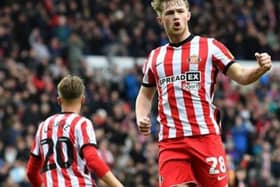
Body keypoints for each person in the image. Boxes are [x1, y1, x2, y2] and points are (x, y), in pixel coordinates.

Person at [135, 0, 272, 187]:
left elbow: (240, 75)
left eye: (179, 11)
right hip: (171, 142)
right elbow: (144, 95)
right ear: (160, 19)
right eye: (169, 13)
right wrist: (141, 117)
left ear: (188, 15)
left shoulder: (210, 47)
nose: (175, 16)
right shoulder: (155, 57)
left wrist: (260, 69)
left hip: (205, 137)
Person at [26, 75, 124, 187]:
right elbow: (92, 160)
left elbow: (31, 173)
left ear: (59, 100)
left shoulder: (43, 126)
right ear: (83, 100)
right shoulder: (82, 123)